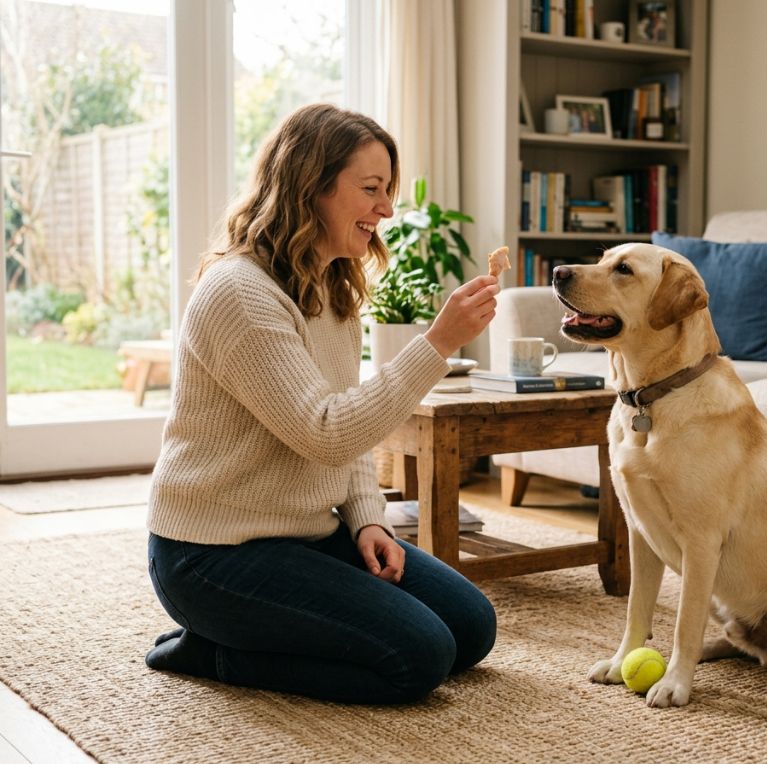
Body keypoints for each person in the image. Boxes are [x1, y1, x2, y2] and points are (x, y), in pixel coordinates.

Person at [144, 103, 500, 704]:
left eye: (387, 191)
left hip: (306, 532)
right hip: (211, 554)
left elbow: (349, 419)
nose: (386, 210)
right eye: (371, 189)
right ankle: (212, 651)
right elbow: (327, 432)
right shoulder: (239, 293)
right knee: (419, 659)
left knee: (471, 627)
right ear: (311, 187)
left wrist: (367, 518)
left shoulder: (332, 287)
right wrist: (437, 344)